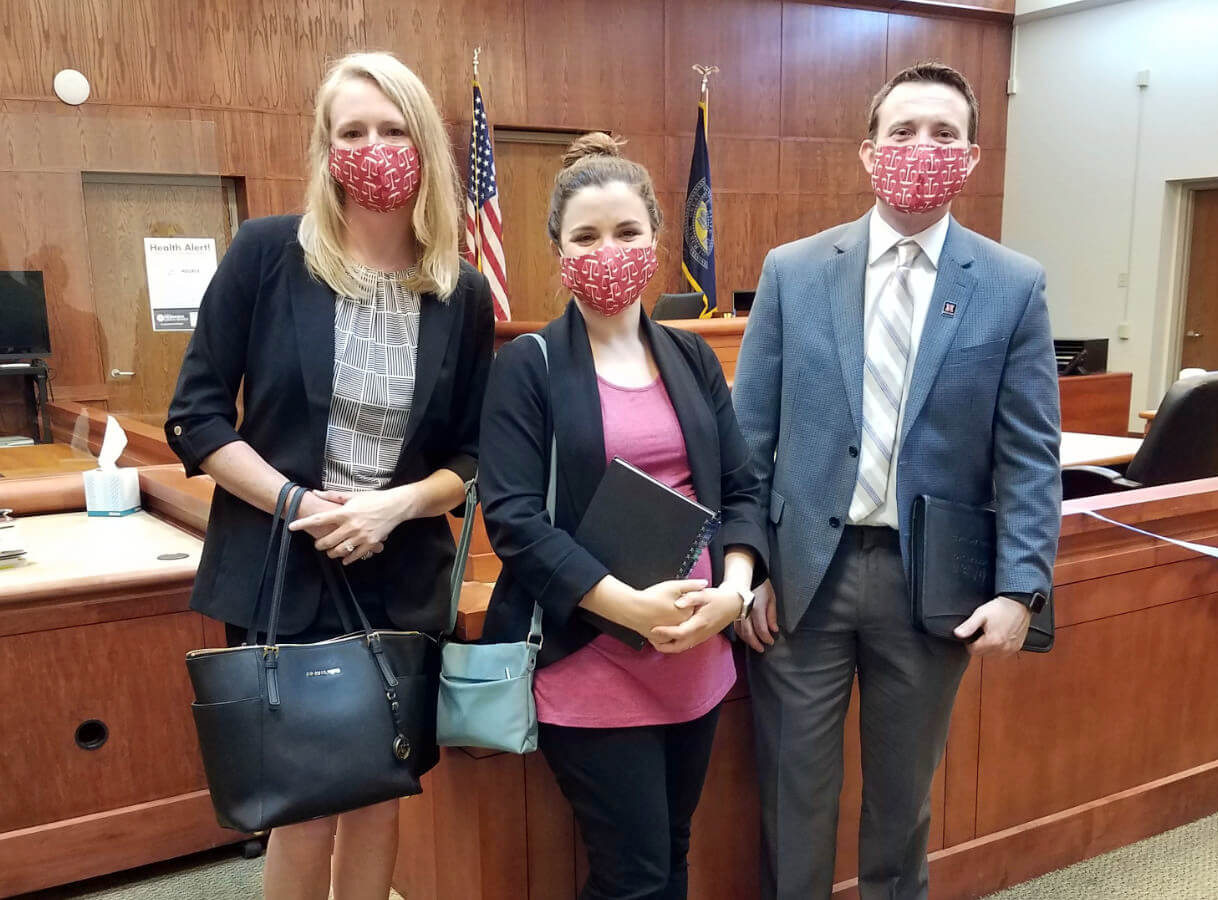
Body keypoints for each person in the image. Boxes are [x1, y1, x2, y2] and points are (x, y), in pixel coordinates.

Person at [165, 52, 493, 900]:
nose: (373, 146)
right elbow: (195, 418)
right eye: (353, 131)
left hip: (398, 574)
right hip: (284, 569)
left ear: (424, 145)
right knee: (304, 805)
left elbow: (474, 454)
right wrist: (298, 504)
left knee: (381, 797)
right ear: (325, 146)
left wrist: (393, 507)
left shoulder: (461, 290)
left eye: (393, 129)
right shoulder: (267, 253)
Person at [731, 63, 1061, 899]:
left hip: (932, 593)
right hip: (802, 581)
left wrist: (1022, 588)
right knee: (792, 798)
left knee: (901, 808)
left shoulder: (1013, 285)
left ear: (973, 157)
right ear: (868, 151)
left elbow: (1030, 452)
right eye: (904, 132)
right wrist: (747, 567)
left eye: (944, 134)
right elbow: (747, 442)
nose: (923, 148)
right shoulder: (793, 271)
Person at [478, 133, 769, 900]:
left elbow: (741, 489)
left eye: (627, 231)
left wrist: (733, 596)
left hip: (697, 650)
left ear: (655, 239)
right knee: (634, 877)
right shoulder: (529, 366)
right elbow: (511, 520)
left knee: (670, 858)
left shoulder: (693, 357)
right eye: (586, 236)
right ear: (558, 251)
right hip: (591, 654)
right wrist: (627, 608)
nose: (608, 250)